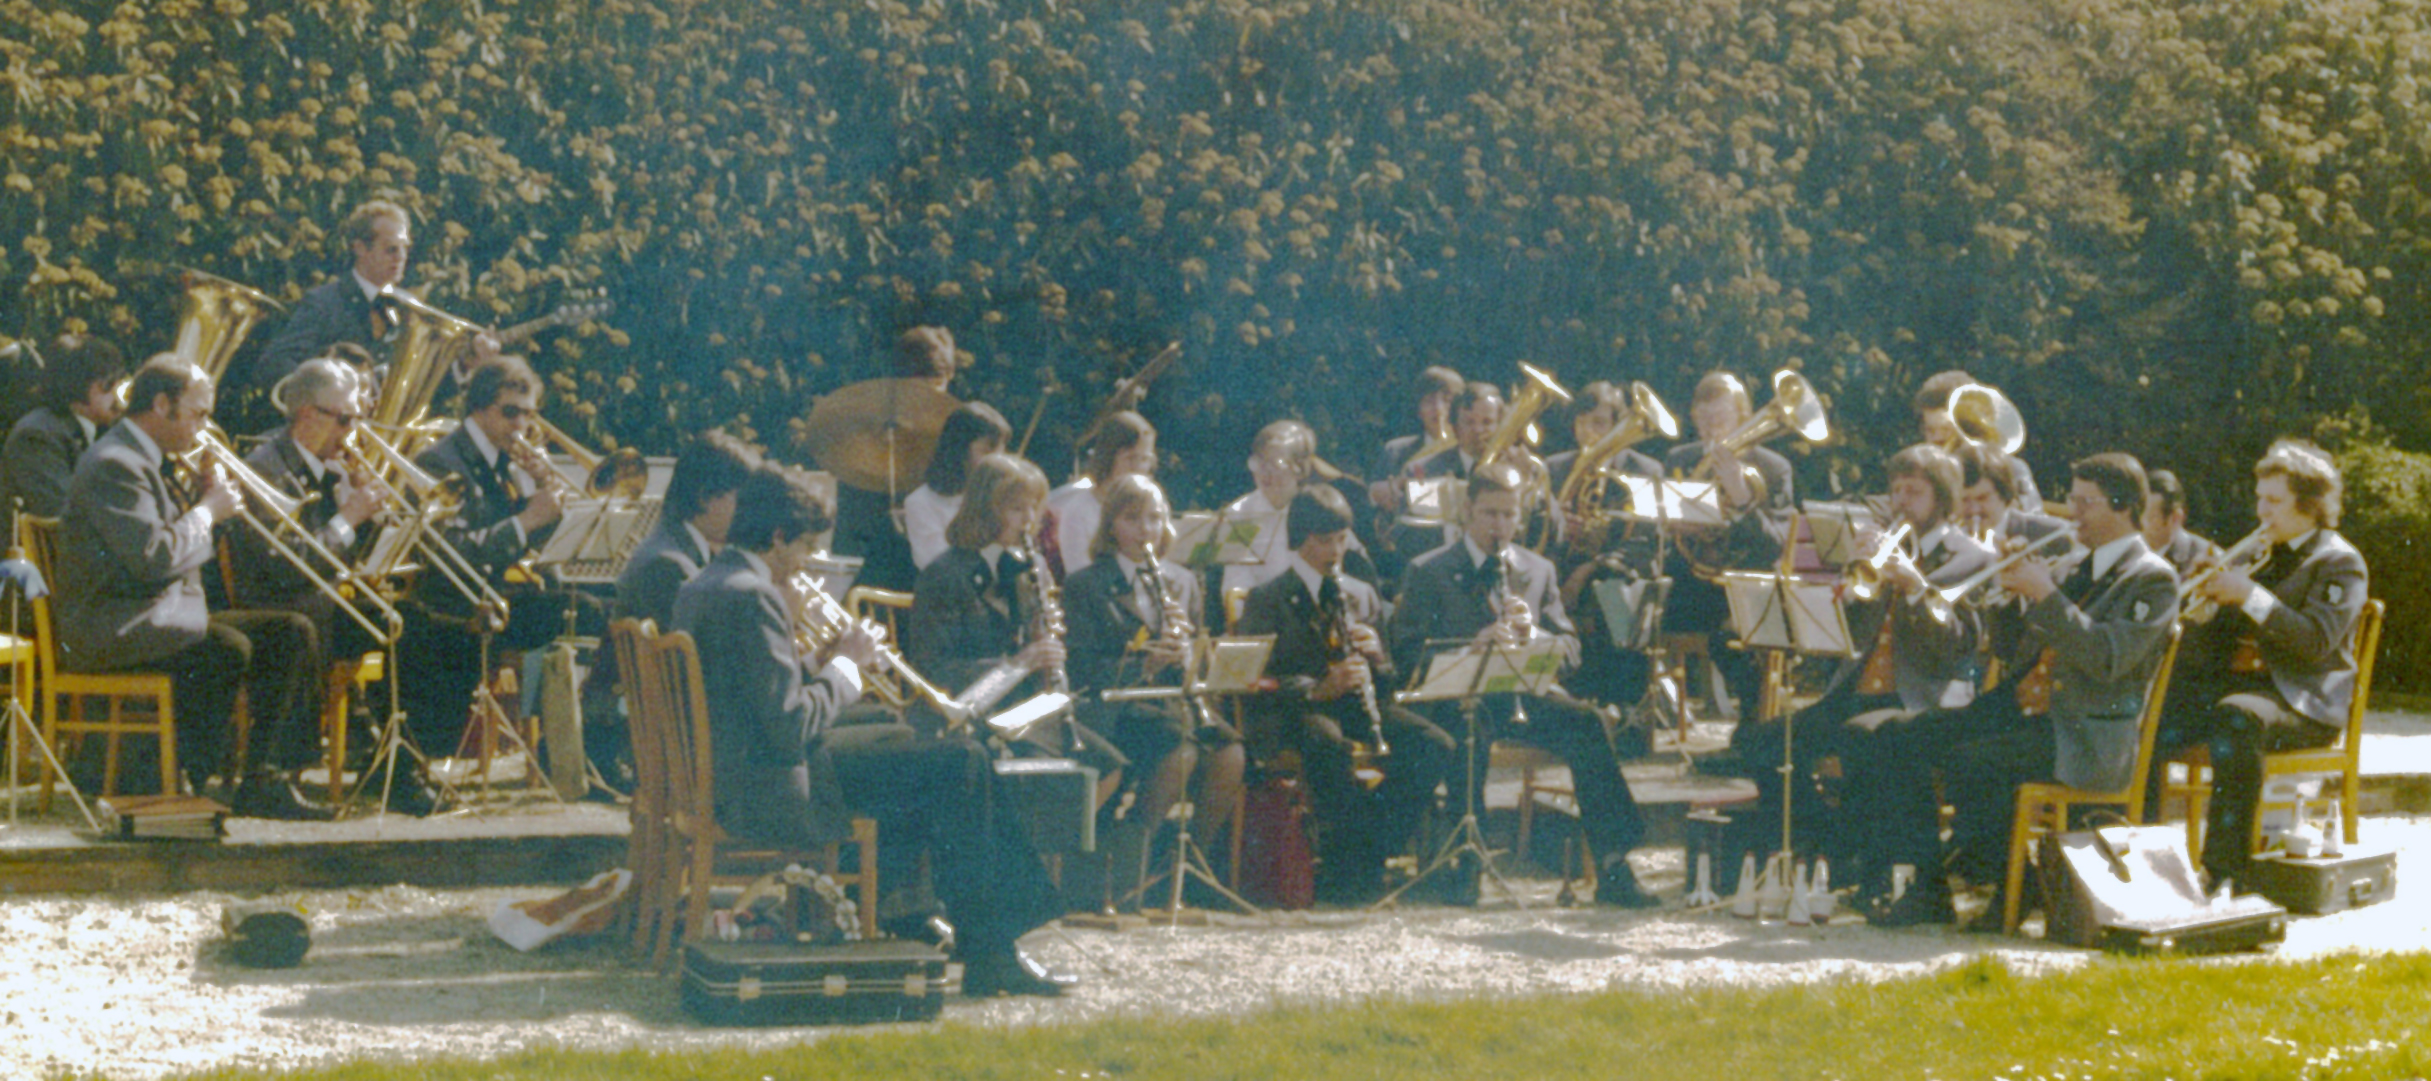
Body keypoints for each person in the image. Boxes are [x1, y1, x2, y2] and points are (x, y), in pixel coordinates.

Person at [674, 463, 1073, 996]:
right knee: (962, 762)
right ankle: (991, 949)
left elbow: (758, 697)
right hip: (771, 786)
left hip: (741, 770)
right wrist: (849, 668)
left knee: (907, 741)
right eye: (805, 547)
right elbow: (789, 726)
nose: (807, 561)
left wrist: (824, 661)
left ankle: (905, 912)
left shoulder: (706, 582)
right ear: (776, 537)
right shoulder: (754, 594)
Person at [1865, 453, 2177, 927]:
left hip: (2083, 731)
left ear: (2122, 506)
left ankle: (2015, 882)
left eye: (2085, 504)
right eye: (2072, 500)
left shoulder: (2153, 578)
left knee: (1975, 761)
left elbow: (2107, 659)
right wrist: (2007, 599)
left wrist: (2045, 594)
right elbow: (2011, 650)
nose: (2072, 514)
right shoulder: (2073, 563)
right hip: (2025, 710)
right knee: (1899, 735)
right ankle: (1931, 888)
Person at [52, 357, 326, 818]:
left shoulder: (149, 459)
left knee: (291, 630)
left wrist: (206, 504)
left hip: (156, 612)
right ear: (161, 405)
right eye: (199, 413)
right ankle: (198, 781)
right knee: (226, 647)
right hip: (113, 625)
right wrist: (205, 511)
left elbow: (175, 551)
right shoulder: (115, 463)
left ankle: (261, 777)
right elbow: (153, 558)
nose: (205, 426)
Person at [1390, 461, 1660, 907]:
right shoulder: (1429, 571)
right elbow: (1406, 653)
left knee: (1589, 724)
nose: (1500, 525)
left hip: (1524, 693)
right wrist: (1471, 647)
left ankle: (1614, 863)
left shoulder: (1537, 570)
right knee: (1467, 733)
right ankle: (1466, 863)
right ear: (1468, 512)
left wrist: (1536, 637)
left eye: (1509, 515)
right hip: (1462, 697)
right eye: (1490, 514)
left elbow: (1571, 647)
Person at [1729, 445, 1991, 891]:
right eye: (1895, 491)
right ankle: (1830, 844)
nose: (1901, 501)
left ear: (1942, 498)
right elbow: (1840, 635)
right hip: (1856, 693)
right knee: (1760, 743)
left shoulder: (1968, 557)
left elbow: (1957, 648)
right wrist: (1841, 594)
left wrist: (1913, 585)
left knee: (1864, 737)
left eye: (1914, 492)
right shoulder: (1878, 550)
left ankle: (1864, 863)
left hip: (1923, 697)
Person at [2154, 440, 2368, 887]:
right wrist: (2208, 602)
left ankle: (2223, 869)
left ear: (2309, 505)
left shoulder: (2339, 562)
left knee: (2238, 718)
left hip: (2300, 700)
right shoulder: (2256, 553)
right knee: (2153, 712)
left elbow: (2315, 641)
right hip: (2239, 687)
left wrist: (2246, 595)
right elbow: (2214, 634)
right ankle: (2144, 859)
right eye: (2259, 498)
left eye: (2273, 501)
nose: (2261, 510)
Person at [1237, 486, 1454, 905]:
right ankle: (1351, 866)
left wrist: (1377, 656)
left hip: (1355, 703)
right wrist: (1318, 687)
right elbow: (1255, 680)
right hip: (1298, 709)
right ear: (1299, 541)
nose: (1334, 551)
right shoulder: (1268, 598)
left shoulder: (1360, 593)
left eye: (1340, 539)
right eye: (1323, 541)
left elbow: (1389, 683)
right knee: (1327, 744)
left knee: (1434, 744)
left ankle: (1364, 853)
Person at [397, 356, 606, 765]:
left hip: (502, 595)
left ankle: (569, 747)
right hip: (454, 602)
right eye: (510, 412)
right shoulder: (442, 460)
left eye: (529, 414)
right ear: (478, 407)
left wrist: (539, 490)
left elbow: (537, 543)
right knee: (584, 614)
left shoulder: (506, 461)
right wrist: (528, 518)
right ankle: (556, 749)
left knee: (596, 613)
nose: (521, 425)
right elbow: (451, 553)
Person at [1060, 474, 1246, 906]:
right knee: (1179, 753)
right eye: (1133, 519)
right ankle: (1131, 871)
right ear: (1111, 526)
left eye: (1155, 519)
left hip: (1171, 700)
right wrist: (1144, 662)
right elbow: (1083, 665)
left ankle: (1181, 870)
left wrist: (1190, 656)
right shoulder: (1086, 584)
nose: (1146, 530)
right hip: (1115, 707)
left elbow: (1199, 654)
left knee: (1230, 754)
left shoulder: (1181, 580)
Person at [901, 453, 1126, 798]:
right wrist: (1018, 663)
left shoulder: (1029, 569)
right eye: (1017, 510)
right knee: (1057, 779)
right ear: (986, 509)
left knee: (1108, 767)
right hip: (966, 718)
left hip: (1021, 711)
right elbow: (933, 670)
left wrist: (1043, 643)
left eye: (1035, 509)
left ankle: (1061, 849)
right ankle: (1034, 849)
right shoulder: (945, 575)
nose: (1030, 521)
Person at [1659, 372, 1795, 721]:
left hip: (1744, 583)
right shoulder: (1680, 459)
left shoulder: (1773, 467)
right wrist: (1672, 527)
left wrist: (1741, 497)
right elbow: (1659, 528)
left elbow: (1774, 545)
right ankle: (1642, 717)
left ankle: (1754, 727)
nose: (1711, 429)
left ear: (1742, 417)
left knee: (1735, 634)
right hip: (1691, 583)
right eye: (1703, 420)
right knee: (1635, 611)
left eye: (1719, 418)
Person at [252, 201, 497, 391]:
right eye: (391, 249)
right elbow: (274, 364)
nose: (401, 257)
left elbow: (414, 392)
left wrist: (465, 365)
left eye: (404, 248)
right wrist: (329, 393)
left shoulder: (409, 311)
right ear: (360, 248)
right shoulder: (324, 302)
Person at [831, 326, 960, 593]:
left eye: (937, 390)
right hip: (882, 577)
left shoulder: (957, 440)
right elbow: (852, 534)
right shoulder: (870, 439)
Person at [613, 432, 760, 630]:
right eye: (741, 501)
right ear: (704, 497)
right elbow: (708, 653)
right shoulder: (670, 566)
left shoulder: (674, 547)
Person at [1218, 419, 1374, 599]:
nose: (1264, 472)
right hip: (1264, 614)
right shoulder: (1239, 514)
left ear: (1300, 468)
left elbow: (1355, 568)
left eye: (1276, 463)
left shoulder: (1319, 507)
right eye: (1259, 462)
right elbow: (1235, 585)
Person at [2, 334, 125, 544]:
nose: (118, 395)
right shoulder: (38, 434)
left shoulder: (75, 430)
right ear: (85, 384)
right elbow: (63, 517)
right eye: (110, 383)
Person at [1041, 411, 1157, 581]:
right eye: (1131, 458)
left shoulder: (1152, 505)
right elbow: (1081, 578)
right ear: (1109, 457)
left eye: (1145, 460)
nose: (1139, 468)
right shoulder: (1079, 511)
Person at [904, 402, 1011, 571]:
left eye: (1000, 454)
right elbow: (934, 565)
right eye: (986, 452)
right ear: (958, 451)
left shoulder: (1002, 499)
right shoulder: (921, 502)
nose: (995, 463)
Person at [1914, 369, 2039, 509]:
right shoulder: (1919, 475)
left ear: (1971, 426)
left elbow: (2033, 516)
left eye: (1947, 430)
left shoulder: (2013, 470)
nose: (1937, 438)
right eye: (1929, 430)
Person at [2142, 469, 2220, 578]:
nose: (2138, 525)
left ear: (2175, 519)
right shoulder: (2130, 555)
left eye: (2150, 518)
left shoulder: (2207, 557)